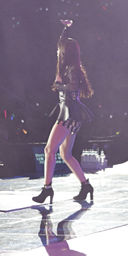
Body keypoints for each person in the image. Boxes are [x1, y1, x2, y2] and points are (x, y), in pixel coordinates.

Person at [32, 20, 95, 204]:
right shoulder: (68, 67)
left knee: (49, 149)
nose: (57, 52)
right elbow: (61, 43)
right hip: (71, 112)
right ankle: (85, 185)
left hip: (69, 112)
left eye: (60, 50)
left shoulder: (72, 69)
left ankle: (47, 189)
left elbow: (72, 87)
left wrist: (60, 84)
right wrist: (65, 29)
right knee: (65, 154)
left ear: (66, 53)